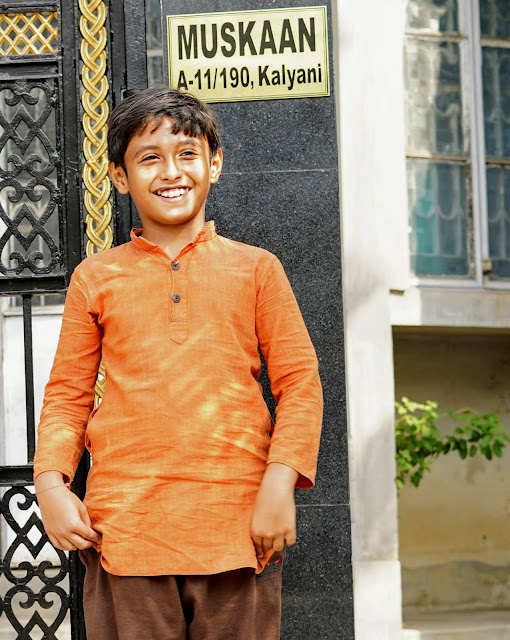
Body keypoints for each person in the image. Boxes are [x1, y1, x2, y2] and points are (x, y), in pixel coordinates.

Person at [34, 87, 323, 640]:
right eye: (149, 158)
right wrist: (51, 487)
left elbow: (300, 386)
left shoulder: (257, 269)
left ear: (214, 164)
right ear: (120, 176)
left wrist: (279, 484)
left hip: (240, 529)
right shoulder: (95, 278)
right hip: (126, 533)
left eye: (187, 153)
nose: (171, 171)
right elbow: (68, 396)